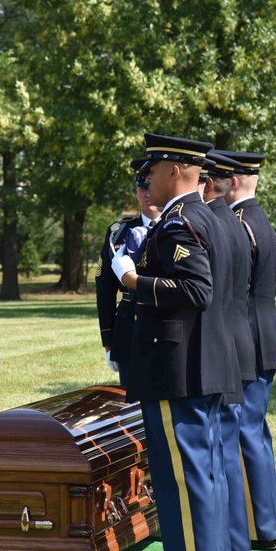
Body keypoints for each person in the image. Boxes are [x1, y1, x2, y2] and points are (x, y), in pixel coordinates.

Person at [110, 133, 231, 551]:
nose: (149, 180)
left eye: (154, 171)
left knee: (181, 480)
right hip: (197, 364)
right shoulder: (207, 216)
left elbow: (196, 289)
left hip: (176, 369)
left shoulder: (179, 222)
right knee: (199, 475)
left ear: (175, 172)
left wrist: (133, 280)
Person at [218, 150, 276, 551]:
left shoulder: (241, 223)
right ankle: (267, 523)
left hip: (249, 335)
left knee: (244, 431)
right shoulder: (259, 219)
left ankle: (257, 527)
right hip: (265, 332)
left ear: (235, 181)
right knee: (255, 431)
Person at [203, 151, 257, 551]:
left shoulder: (215, 225)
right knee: (226, 455)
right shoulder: (231, 223)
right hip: (233, 345)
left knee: (219, 456)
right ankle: (236, 550)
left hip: (219, 350)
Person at [96, 155, 161, 388]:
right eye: (142, 187)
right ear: (135, 192)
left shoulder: (179, 226)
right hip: (128, 330)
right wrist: (108, 342)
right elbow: (104, 289)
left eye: (151, 186)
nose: (147, 193)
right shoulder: (118, 232)